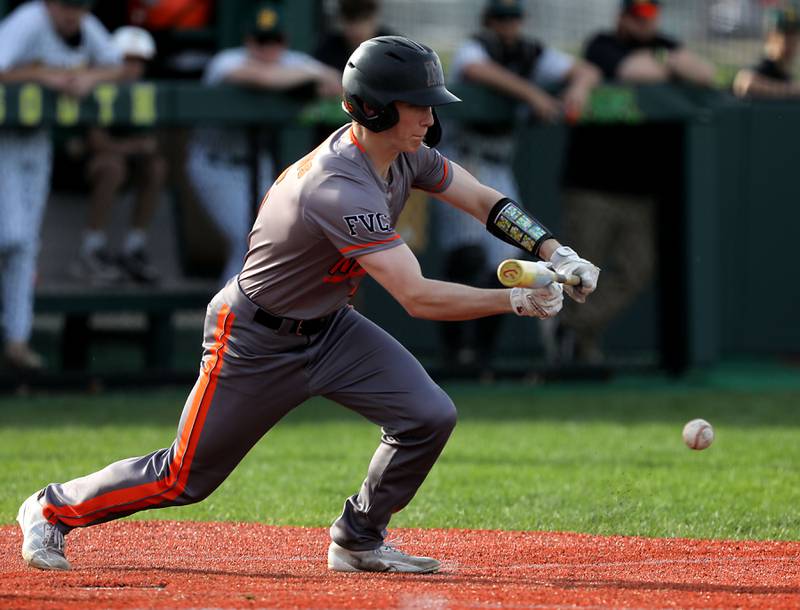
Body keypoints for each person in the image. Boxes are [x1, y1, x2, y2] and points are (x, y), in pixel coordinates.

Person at [17, 35, 599, 574]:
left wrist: (554, 248)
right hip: (253, 338)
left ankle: (358, 539)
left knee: (428, 416)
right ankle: (50, 509)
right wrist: (517, 300)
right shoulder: (337, 185)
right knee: (184, 477)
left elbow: (483, 200)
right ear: (372, 108)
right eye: (416, 104)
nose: (429, 116)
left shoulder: (406, 153)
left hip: (330, 327)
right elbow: (417, 297)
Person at [437, 0, 600, 373]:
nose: (507, 27)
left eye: (513, 19)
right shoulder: (474, 48)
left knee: (506, 263)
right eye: (500, 19)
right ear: (488, 21)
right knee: (466, 257)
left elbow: (587, 70)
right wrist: (534, 94)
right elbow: (478, 70)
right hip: (459, 159)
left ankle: (481, 355)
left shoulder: (531, 52)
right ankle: (455, 353)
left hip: (498, 163)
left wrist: (578, 89)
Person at [557, 0, 714, 364]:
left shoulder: (665, 42)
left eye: (650, 17)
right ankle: (575, 345)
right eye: (637, 17)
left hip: (639, 192)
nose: (645, 25)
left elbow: (705, 73)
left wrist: (668, 61)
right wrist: (670, 65)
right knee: (580, 272)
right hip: (592, 187)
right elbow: (631, 70)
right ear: (623, 18)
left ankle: (572, 327)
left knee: (638, 269)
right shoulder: (602, 44)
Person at [0, 0, 124, 370]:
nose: (72, 14)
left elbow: (117, 65)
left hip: (36, 137)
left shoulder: (86, 27)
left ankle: (16, 340)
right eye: (66, 5)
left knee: (26, 243)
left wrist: (89, 78)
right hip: (3, 137)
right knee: (12, 237)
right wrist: (42, 75)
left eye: (80, 6)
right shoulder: (29, 20)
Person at [187, 2, 342, 285]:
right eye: (261, 41)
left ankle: (251, 314)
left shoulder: (292, 62)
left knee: (282, 238)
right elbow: (260, 77)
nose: (268, 51)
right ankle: (227, 317)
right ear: (248, 40)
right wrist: (306, 80)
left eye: (274, 41)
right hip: (216, 164)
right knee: (249, 238)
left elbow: (336, 82)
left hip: (258, 165)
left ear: (285, 41)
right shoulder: (226, 61)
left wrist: (306, 78)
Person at [71, 26, 167, 285]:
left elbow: (150, 144)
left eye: (139, 61)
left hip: (126, 168)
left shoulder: (144, 92)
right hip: (72, 171)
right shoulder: (94, 85)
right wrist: (132, 147)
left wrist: (129, 147)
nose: (133, 67)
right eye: (127, 60)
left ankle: (132, 249)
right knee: (112, 165)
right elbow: (96, 142)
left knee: (156, 167)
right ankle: (90, 250)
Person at [733, 6, 800, 98]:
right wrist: (791, 90)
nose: (790, 45)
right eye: (785, 39)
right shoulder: (763, 68)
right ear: (769, 38)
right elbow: (746, 82)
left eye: (794, 39)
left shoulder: (786, 76)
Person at [313, 0, 395, 73]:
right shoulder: (328, 48)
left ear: (374, 17)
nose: (357, 29)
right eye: (351, 20)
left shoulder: (392, 47)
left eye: (364, 19)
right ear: (341, 19)